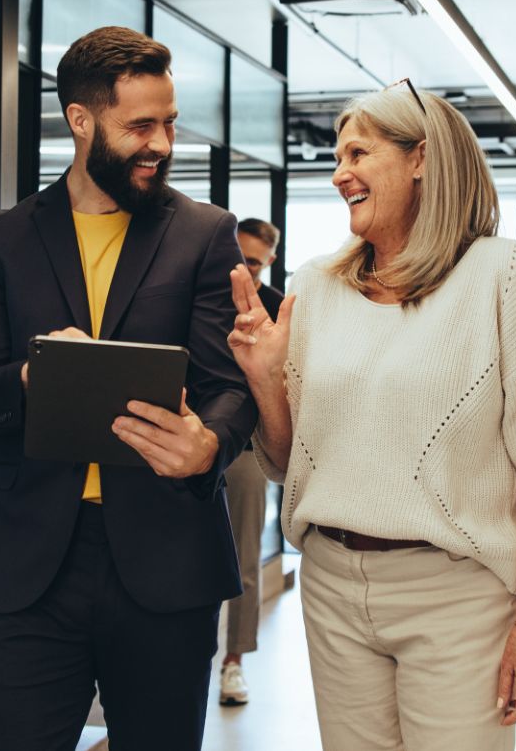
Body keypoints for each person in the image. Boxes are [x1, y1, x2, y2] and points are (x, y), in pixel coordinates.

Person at [227, 81, 516, 749]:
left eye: (359, 153)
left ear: (419, 158)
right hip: (332, 587)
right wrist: (266, 380)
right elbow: (286, 462)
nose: (341, 174)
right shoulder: (312, 287)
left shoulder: (503, 276)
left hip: (457, 597)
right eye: (337, 158)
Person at [0, 25, 256, 751]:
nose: (161, 144)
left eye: (169, 122)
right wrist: (29, 375)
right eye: (139, 125)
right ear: (81, 121)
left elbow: (229, 387)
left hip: (169, 559)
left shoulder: (205, 234)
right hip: (32, 570)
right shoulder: (2, 239)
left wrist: (209, 443)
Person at [217, 217, 282, 707]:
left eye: (254, 262)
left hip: (247, 453)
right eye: (238, 257)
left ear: (270, 262)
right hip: (193, 440)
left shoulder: (281, 310)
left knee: (243, 559)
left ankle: (234, 662)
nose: (243, 268)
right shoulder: (205, 298)